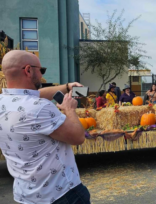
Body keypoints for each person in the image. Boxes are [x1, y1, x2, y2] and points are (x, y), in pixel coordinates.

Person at [0, 50, 90, 203]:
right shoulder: (39, 108)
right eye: (41, 70)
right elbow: (78, 137)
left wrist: (67, 87)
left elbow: (36, 95)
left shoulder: (5, 101)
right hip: (60, 193)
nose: (42, 75)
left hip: (26, 194)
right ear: (28, 70)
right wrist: (70, 110)